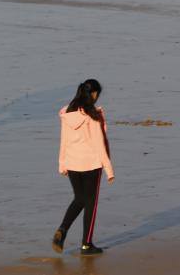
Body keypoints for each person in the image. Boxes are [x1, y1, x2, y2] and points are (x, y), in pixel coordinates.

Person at [53, 79, 114, 256]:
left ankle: (63, 230)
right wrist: (109, 169)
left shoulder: (67, 113)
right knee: (91, 204)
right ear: (93, 94)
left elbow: (63, 140)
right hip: (91, 164)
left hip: (72, 164)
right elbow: (99, 144)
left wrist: (62, 164)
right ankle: (87, 245)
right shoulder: (92, 116)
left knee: (79, 199)